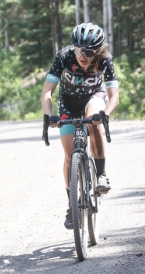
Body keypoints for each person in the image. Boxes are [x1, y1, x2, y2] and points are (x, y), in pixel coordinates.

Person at [40, 23, 120, 230]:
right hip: (68, 102)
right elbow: (47, 92)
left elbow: (114, 97)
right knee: (68, 155)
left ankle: (101, 174)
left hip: (94, 97)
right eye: (78, 49)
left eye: (89, 52)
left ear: (98, 51)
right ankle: (72, 204)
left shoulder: (104, 60)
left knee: (94, 121)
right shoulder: (64, 56)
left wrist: (105, 115)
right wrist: (49, 116)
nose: (83, 55)